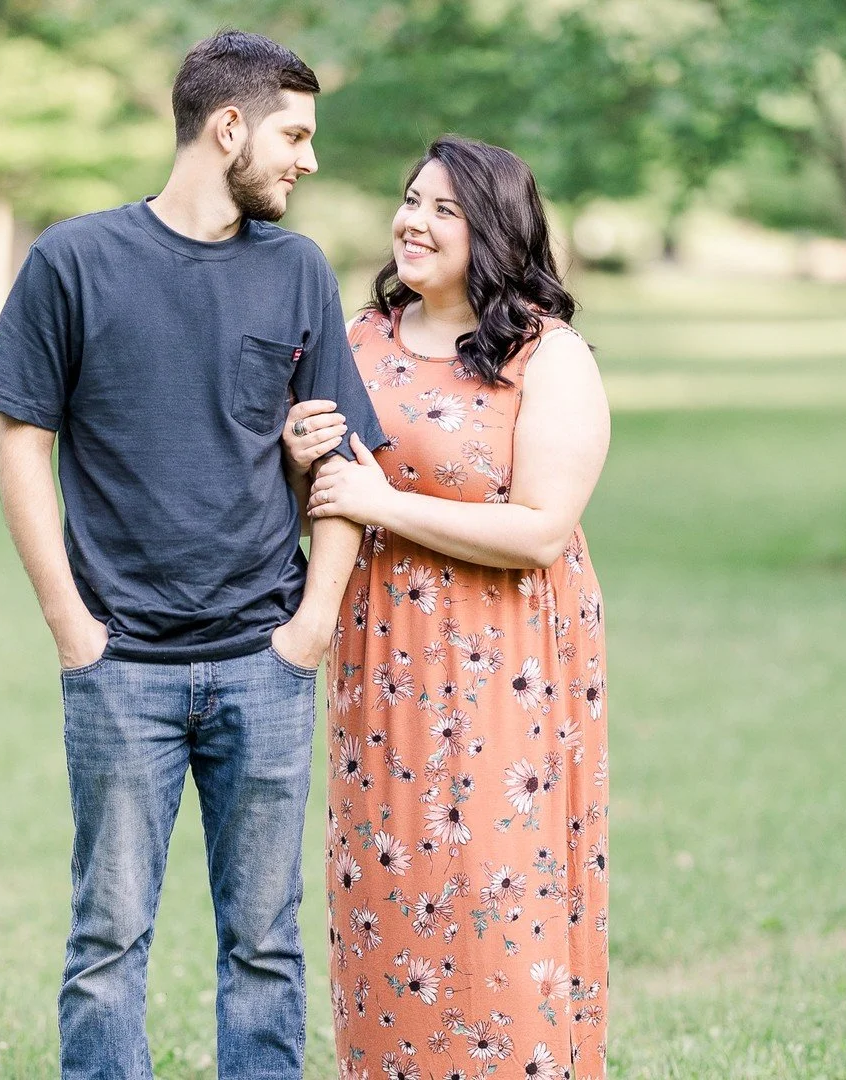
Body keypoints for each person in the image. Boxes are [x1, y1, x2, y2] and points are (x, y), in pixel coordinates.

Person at [0, 30, 385, 1080]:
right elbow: (23, 441)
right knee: (106, 945)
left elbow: (340, 461)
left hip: (265, 662)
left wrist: (311, 625)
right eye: (294, 134)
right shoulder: (75, 259)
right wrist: (70, 623)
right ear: (227, 126)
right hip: (121, 672)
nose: (308, 159)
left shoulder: (295, 269)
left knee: (267, 946)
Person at [283, 135, 611, 1080]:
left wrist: (382, 503)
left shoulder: (549, 357)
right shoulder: (360, 337)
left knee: (495, 899)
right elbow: (316, 494)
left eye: (444, 210)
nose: (413, 222)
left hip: (505, 665)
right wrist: (297, 449)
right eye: (410, 199)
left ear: (494, 232)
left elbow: (544, 530)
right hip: (382, 668)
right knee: (388, 890)